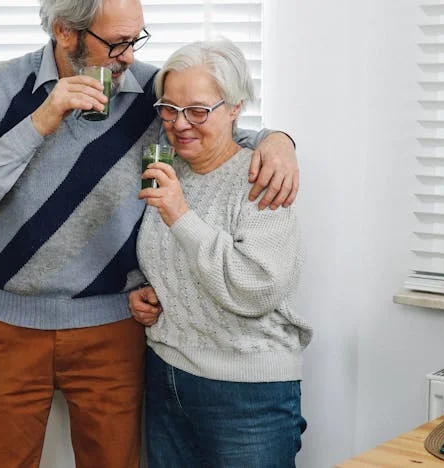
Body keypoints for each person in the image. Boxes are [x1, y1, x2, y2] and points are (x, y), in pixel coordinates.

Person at [0, 0, 299, 465]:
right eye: (118, 43)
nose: (129, 55)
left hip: (113, 328)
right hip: (10, 328)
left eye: (136, 39)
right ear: (66, 32)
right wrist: (42, 119)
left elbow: (211, 129)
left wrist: (277, 141)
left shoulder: (152, 91)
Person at [129, 37, 313, 468]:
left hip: (245, 391)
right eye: (169, 110)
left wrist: (180, 215)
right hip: (167, 373)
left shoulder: (259, 177)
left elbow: (255, 290)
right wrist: (151, 292)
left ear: (235, 108)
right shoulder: (172, 170)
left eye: (197, 110)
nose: (179, 123)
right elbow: (176, 262)